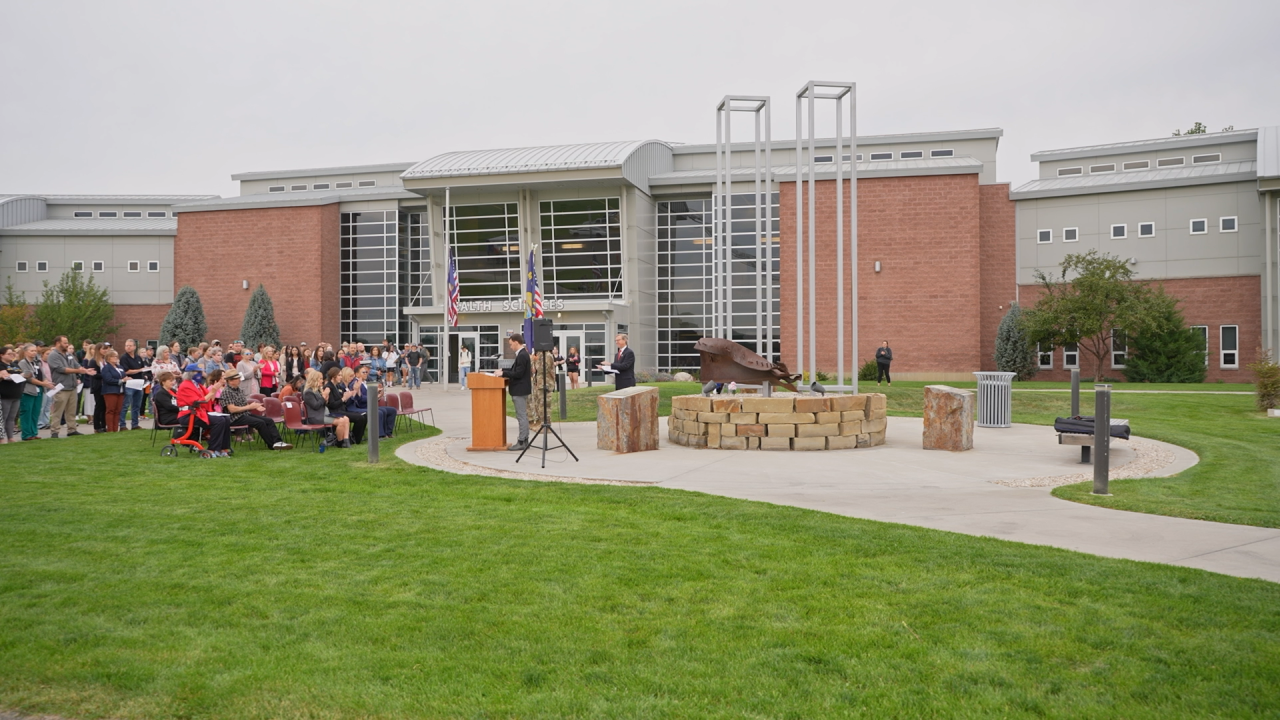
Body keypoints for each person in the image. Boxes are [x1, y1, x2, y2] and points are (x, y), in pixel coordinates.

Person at [220, 370, 293, 450]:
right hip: (235, 418)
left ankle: (278, 442)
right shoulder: (227, 392)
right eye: (237, 378)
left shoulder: (238, 389)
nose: (240, 380)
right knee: (260, 423)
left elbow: (244, 405)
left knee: (269, 421)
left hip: (244, 414)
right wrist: (249, 407)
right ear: (230, 381)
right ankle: (272, 444)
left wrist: (255, 406)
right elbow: (232, 409)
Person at [175, 364, 232, 457]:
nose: (200, 374)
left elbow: (209, 400)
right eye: (198, 372)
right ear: (190, 373)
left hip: (198, 413)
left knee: (226, 419)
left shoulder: (198, 385)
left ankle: (222, 448)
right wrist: (213, 391)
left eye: (200, 372)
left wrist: (215, 391)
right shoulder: (185, 385)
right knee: (219, 420)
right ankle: (213, 449)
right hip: (188, 414)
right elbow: (198, 402)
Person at [47, 335, 94, 438]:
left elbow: (76, 365)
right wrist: (78, 371)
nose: (67, 344)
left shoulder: (68, 354)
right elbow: (61, 369)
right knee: (58, 411)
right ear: (58, 343)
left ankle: (72, 430)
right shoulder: (53, 355)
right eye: (65, 343)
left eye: (67, 342)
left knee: (71, 411)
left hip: (72, 386)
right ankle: (54, 431)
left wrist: (85, 370)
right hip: (61, 387)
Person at [491, 333, 531, 451]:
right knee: (522, 416)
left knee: (521, 416)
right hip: (520, 389)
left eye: (511, 344)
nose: (510, 346)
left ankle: (522, 441)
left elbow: (518, 373)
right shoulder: (522, 354)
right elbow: (516, 369)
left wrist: (503, 373)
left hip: (520, 390)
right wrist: (503, 370)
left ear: (516, 342)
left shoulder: (522, 355)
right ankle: (525, 440)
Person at [302, 368, 349, 447]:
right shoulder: (308, 392)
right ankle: (340, 442)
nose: (322, 381)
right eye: (320, 379)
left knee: (345, 419)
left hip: (324, 414)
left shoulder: (317, 390)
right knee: (341, 421)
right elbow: (316, 406)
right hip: (316, 417)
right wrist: (324, 396)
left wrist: (326, 399)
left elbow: (322, 404)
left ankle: (346, 441)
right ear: (314, 379)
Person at [347, 365, 397, 439]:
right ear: (357, 374)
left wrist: (378, 394)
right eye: (363, 372)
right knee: (380, 412)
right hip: (362, 406)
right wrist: (373, 396)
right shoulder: (355, 383)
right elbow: (359, 399)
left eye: (366, 372)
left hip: (370, 405)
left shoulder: (366, 382)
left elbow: (371, 395)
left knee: (392, 410)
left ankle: (388, 433)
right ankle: (380, 435)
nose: (366, 373)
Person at [325, 367, 367, 444]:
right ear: (333, 376)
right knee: (360, 418)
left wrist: (351, 394)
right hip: (335, 412)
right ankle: (354, 439)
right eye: (339, 375)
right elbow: (332, 405)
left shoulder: (338, 386)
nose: (341, 377)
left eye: (341, 375)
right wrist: (344, 398)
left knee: (364, 416)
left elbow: (344, 400)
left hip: (342, 409)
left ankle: (355, 438)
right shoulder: (329, 387)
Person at [116, 339, 147, 431]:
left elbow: (142, 368)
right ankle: (122, 425)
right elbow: (126, 371)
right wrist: (139, 370)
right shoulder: (124, 358)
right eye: (126, 345)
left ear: (134, 347)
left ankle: (135, 424)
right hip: (129, 384)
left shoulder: (138, 358)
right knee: (125, 405)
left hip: (139, 383)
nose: (128, 347)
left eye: (130, 345)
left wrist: (144, 373)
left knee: (136, 405)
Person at [99, 349, 126, 433]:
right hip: (110, 391)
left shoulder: (120, 367)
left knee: (118, 411)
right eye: (113, 356)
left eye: (116, 356)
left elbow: (124, 376)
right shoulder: (106, 368)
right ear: (108, 358)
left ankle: (115, 429)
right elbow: (108, 379)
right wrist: (121, 381)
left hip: (120, 391)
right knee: (110, 410)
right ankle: (110, 429)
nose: (115, 358)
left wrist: (126, 379)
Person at [1, 345, 24, 443]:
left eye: (13, 353)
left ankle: (10, 437)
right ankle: (1, 438)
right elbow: (5, 375)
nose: (12, 355)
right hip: (5, 394)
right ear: (2, 355)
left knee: (12, 417)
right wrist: (15, 375)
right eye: (9, 354)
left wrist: (17, 375)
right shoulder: (1, 365)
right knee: (4, 417)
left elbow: (21, 374)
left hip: (16, 394)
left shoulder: (14, 365)